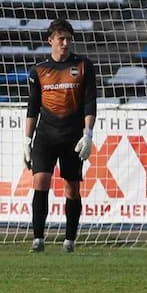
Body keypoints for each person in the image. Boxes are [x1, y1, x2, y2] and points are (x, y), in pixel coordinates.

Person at [23, 18, 97, 253]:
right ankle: (38, 238)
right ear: (50, 41)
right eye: (60, 39)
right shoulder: (39, 70)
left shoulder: (84, 66)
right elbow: (33, 106)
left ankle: (70, 240)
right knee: (40, 182)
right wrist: (27, 139)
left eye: (68, 39)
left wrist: (88, 134)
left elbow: (90, 103)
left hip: (72, 136)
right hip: (45, 135)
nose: (65, 43)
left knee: (71, 189)